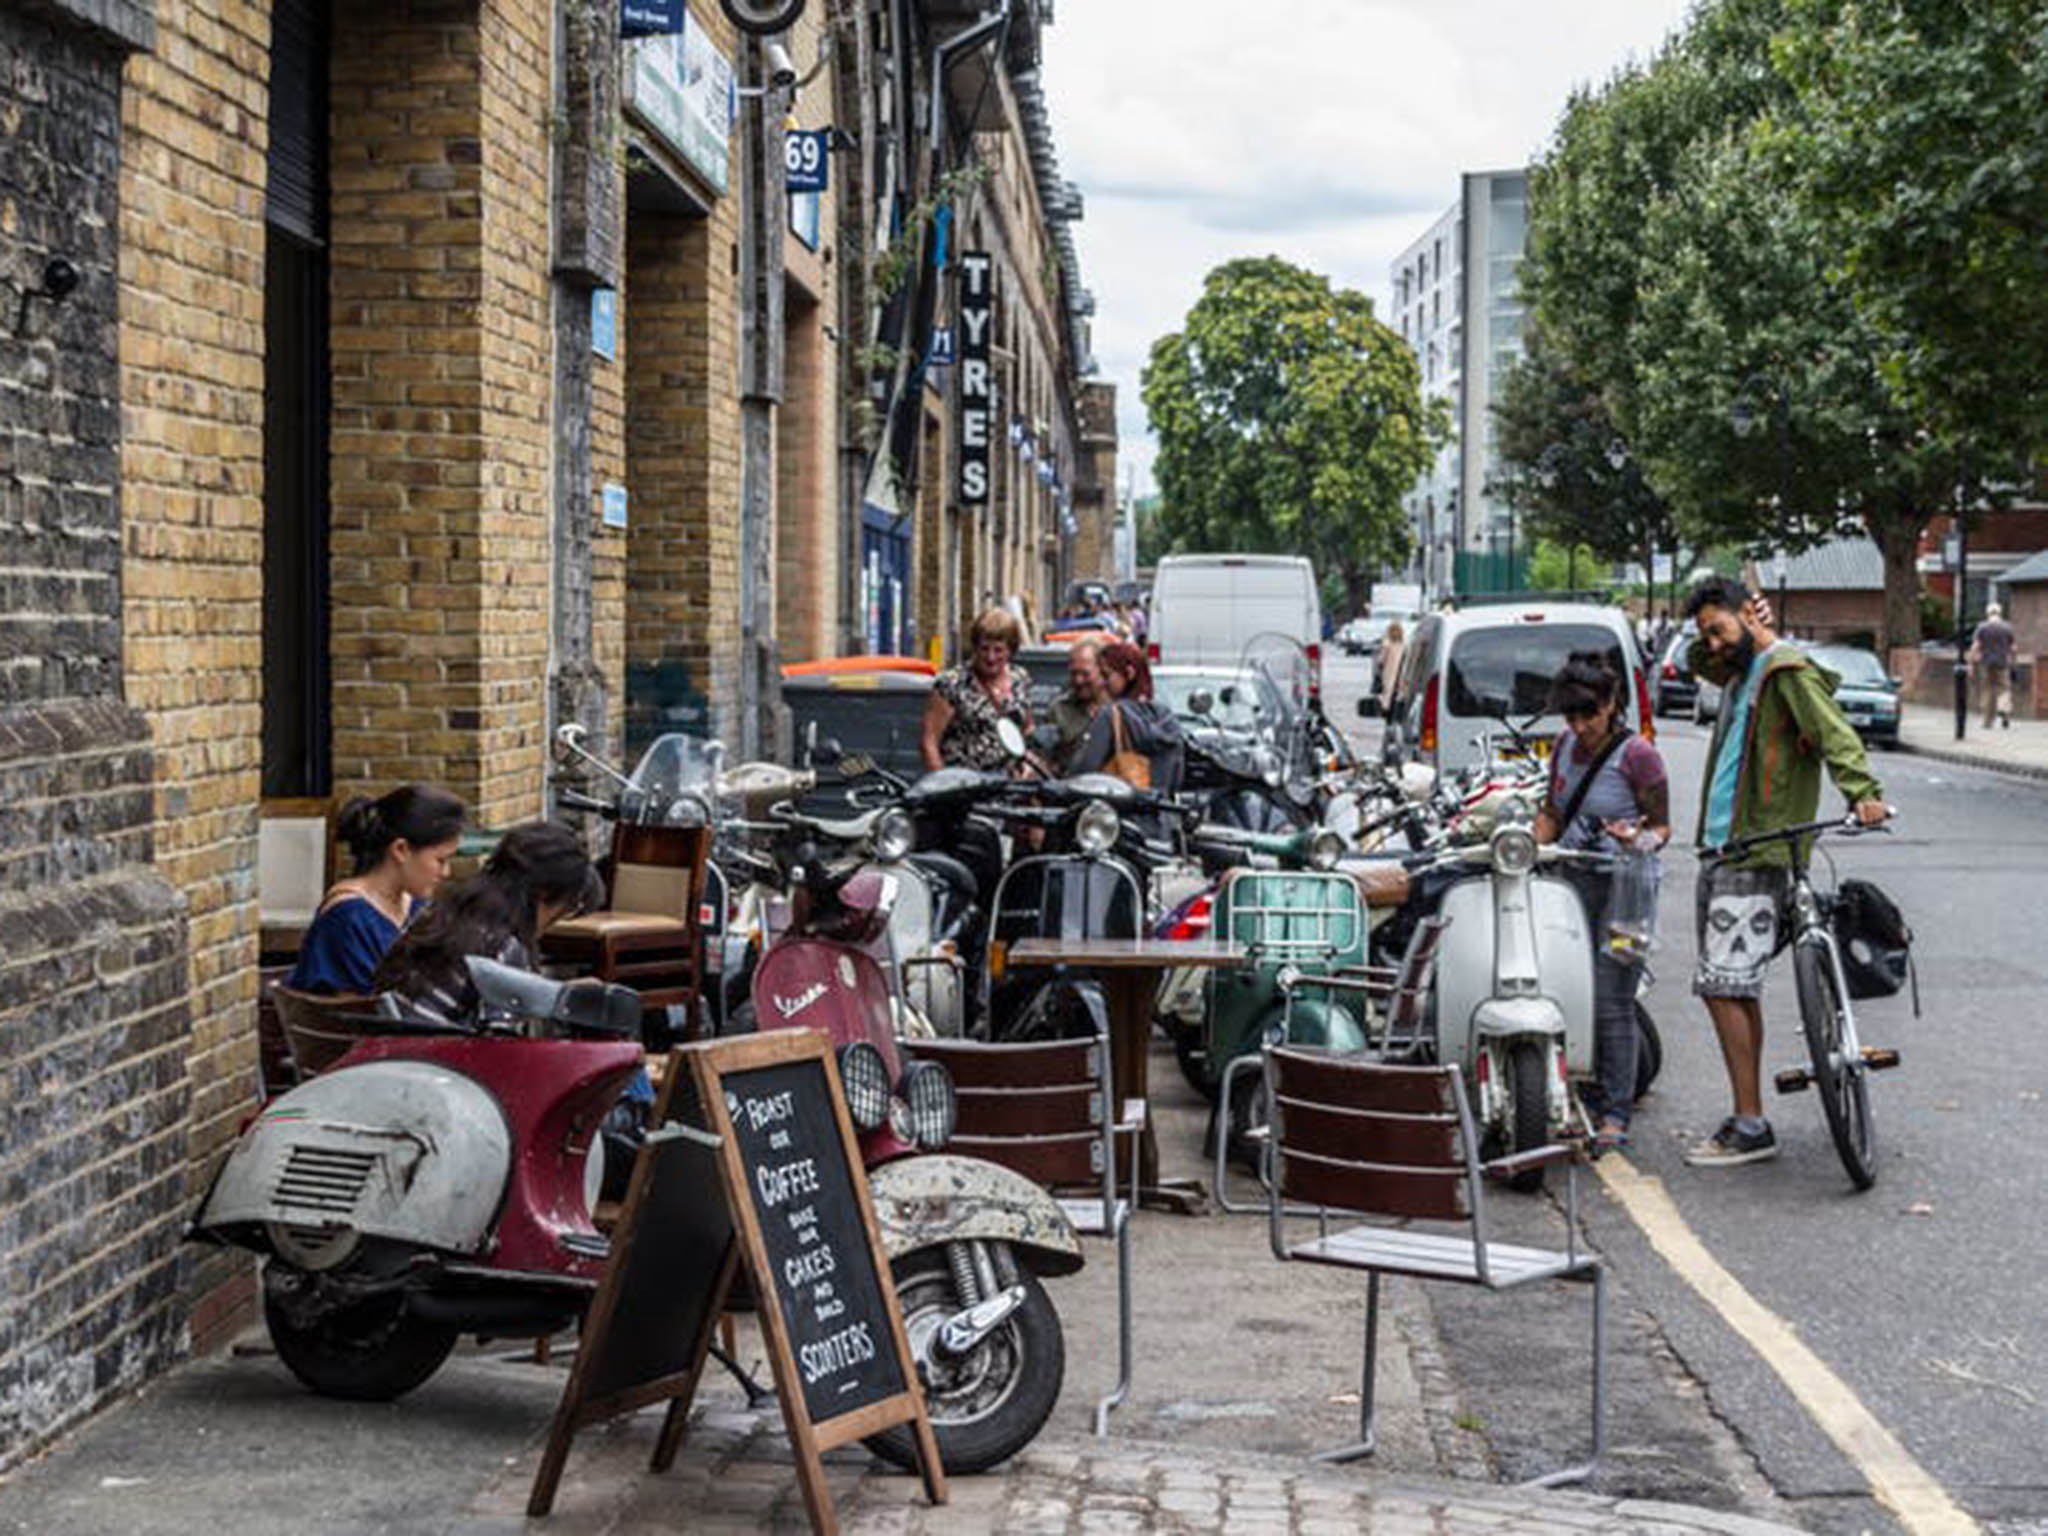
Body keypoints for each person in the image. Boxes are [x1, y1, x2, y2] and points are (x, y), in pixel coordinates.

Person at [1681, 576, 1886, 1167]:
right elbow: (1700, 660)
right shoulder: (1743, 668)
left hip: (1756, 849)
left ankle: (1750, 1125)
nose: (1714, 645)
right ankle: (1749, 1115)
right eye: (1709, 633)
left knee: (1723, 987)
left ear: (1749, 614)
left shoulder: (1782, 671)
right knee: (1730, 986)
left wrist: (1863, 791)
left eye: (1720, 630)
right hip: (1725, 849)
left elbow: (1832, 732)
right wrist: (1731, 634)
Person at [1534, 653, 1670, 1150]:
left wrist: (1635, 837)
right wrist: (1531, 845)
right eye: (1571, 716)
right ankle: (1586, 1093)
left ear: (1611, 705)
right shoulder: (1565, 746)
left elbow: (1662, 827)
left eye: (1588, 714)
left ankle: (1615, 1111)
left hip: (1626, 887)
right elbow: (1552, 808)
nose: (1580, 726)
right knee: (1572, 987)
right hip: (1573, 880)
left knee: (1613, 998)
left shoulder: (1638, 755)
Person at [372, 820, 605, 1026]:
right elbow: (502, 1047)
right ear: (543, 893)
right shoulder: (501, 947)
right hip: (436, 1064)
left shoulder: (447, 913)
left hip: (396, 1049)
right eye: (567, 906)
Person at [288, 785, 467, 995]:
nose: (446, 872)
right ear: (401, 850)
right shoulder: (349, 919)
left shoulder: (416, 907)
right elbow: (362, 1010)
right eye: (440, 860)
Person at [921, 608, 1034, 771]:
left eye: (998, 650)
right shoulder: (952, 684)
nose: (991, 657)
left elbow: (1028, 729)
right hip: (966, 785)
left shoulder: (1020, 679)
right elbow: (929, 742)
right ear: (974, 647)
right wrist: (942, 785)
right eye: (984, 648)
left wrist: (1028, 765)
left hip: (1010, 787)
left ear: (1011, 650)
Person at [1069, 640, 1184, 794]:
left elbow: (1083, 771)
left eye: (1106, 675)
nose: (1102, 683)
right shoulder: (1165, 717)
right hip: (1162, 811)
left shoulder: (1111, 715)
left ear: (1129, 673)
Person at [1049, 637, 1107, 774]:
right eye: (1074, 673)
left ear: (1103, 670)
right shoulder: (1059, 710)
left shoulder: (1119, 709)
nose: (1078, 680)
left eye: (1085, 674)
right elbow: (1049, 760)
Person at [1971, 601, 2017, 729]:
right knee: (2004, 688)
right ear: (2000, 613)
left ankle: (1987, 722)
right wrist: (2013, 661)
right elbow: (2013, 648)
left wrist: (1970, 663)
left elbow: (1976, 646)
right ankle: (2003, 709)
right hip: (2002, 663)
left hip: (1986, 663)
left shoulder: (1982, 627)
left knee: (1988, 690)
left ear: (1988, 613)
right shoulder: (2007, 628)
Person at [1376, 620, 1407, 715]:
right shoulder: (1405, 645)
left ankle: (1387, 711)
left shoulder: (1386, 645)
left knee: (1388, 693)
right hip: (1402, 673)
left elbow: (1380, 660)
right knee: (1400, 693)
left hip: (1389, 673)